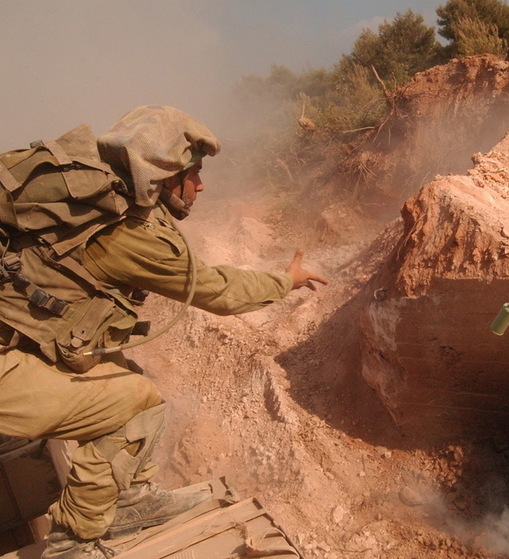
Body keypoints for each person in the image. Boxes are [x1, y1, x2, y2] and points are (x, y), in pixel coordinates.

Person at [0, 105, 328, 558]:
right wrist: (284, 281)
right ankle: (73, 541)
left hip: (20, 337)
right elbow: (218, 291)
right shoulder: (125, 233)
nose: (201, 185)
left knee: (132, 380)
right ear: (162, 173)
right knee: (130, 402)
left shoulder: (92, 200)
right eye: (193, 174)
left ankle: (129, 499)